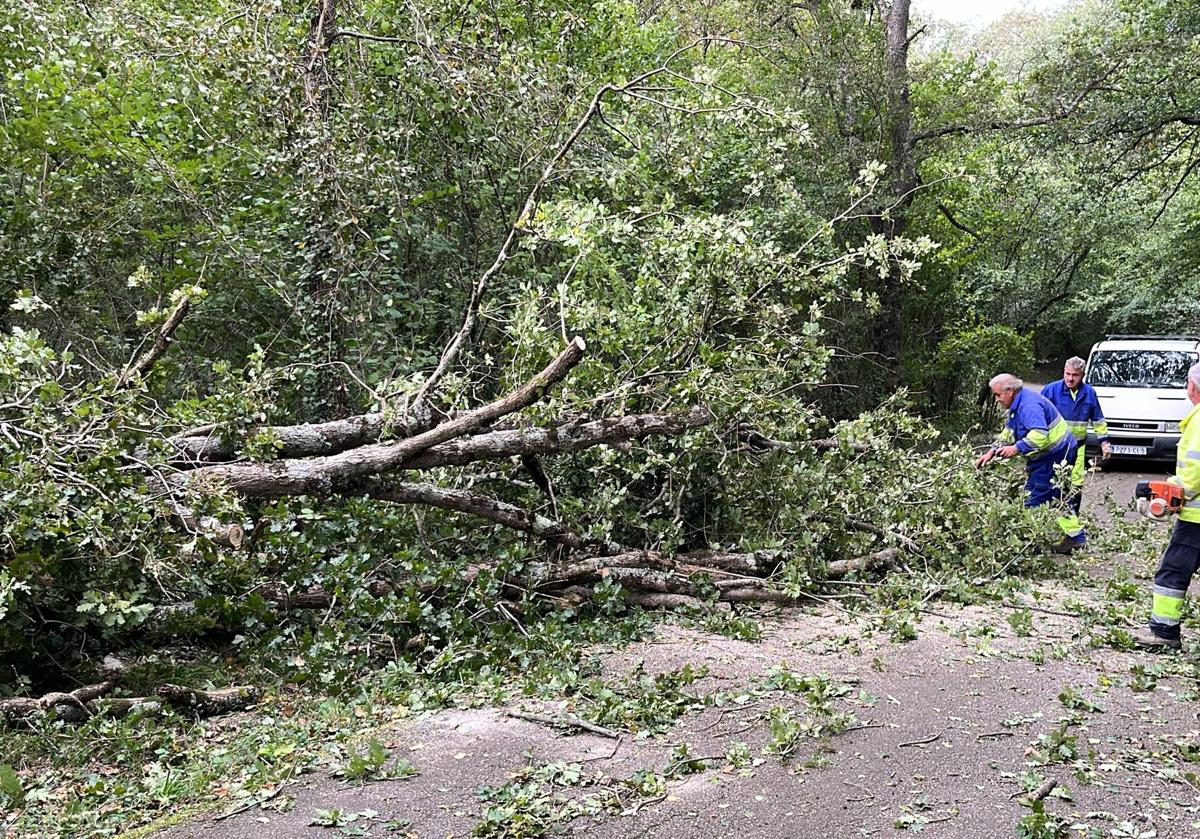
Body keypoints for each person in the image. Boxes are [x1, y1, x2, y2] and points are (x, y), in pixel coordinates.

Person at [975, 373, 1085, 552]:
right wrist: (991, 452)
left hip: (1056, 454)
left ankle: (1030, 542)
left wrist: (1016, 448)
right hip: (1051, 453)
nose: (996, 399)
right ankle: (1076, 537)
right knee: (1058, 497)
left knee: (1035, 497)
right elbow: (1008, 432)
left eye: (998, 395)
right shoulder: (1017, 404)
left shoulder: (1028, 406)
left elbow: (1040, 436)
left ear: (1010, 391)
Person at [1134, 362, 1200, 650]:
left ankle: (1163, 632)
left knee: (1172, 572)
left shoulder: (1199, 421)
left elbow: (1192, 476)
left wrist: (1160, 496)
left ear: (1193, 386)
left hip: (1197, 519)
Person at [1040, 356, 1111, 547]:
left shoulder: (1089, 394)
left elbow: (1097, 419)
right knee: (1054, 487)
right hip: (1054, 450)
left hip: (1078, 449)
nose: (1070, 379)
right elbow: (1037, 414)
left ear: (1083, 375)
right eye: (1068, 374)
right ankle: (1060, 528)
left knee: (1074, 489)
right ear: (1063, 371)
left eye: (1075, 375)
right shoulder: (1051, 390)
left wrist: (1104, 442)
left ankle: (1072, 531)